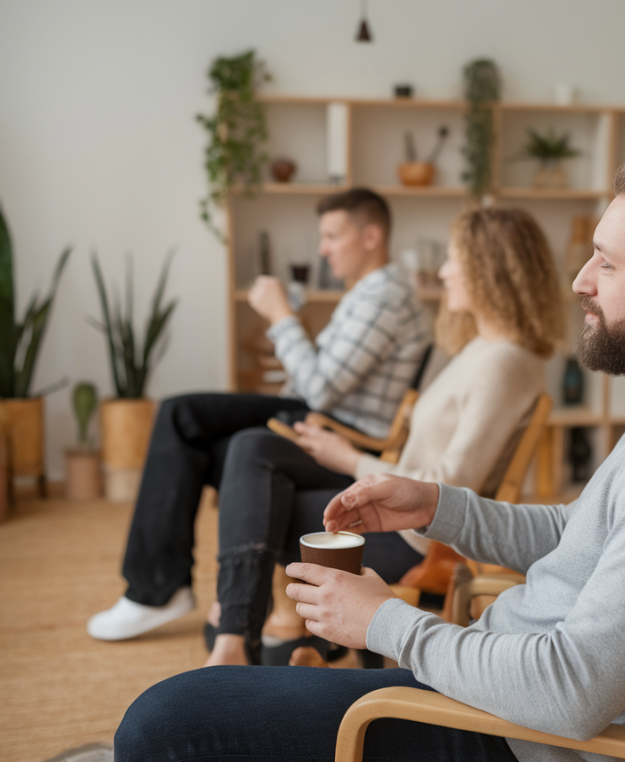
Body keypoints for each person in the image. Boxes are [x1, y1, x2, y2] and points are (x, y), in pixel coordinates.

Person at [115, 146, 625, 762]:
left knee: (160, 723)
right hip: (490, 684)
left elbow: (573, 693)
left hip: (509, 733)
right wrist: (438, 505)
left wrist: (384, 622)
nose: (580, 281)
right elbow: (579, 533)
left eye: (608, 263)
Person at [204, 206, 564, 666]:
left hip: (410, 533)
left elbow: (450, 487)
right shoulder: (484, 348)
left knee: (256, 504)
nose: (443, 272)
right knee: (253, 447)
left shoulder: (504, 364)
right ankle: (249, 632)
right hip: (398, 505)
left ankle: (235, 635)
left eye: (454, 260)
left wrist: (349, 459)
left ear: (490, 269)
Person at [87, 188, 431, 642]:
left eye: (332, 236)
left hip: (334, 430)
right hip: (313, 413)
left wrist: (280, 315)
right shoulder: (367, 292)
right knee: (184, 423)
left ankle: (161, 589)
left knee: (189, 424)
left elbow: (321, 389)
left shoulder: (384, 295)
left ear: (371, 236)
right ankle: (165, 587)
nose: (323, 249)